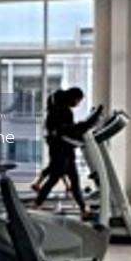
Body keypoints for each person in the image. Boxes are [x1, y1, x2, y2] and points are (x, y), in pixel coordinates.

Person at [33, 87, 98, 215]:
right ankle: (36, 205)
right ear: (73, 98)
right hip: (61, 152)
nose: (78, 104)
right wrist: (86, 125)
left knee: (71, 181)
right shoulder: (63, 111)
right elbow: (67, 131)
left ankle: (83, 209)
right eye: (78, 101)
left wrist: (82, 127)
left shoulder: (56, 108)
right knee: (57, 180)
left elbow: (64, 131)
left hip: (64, 151)